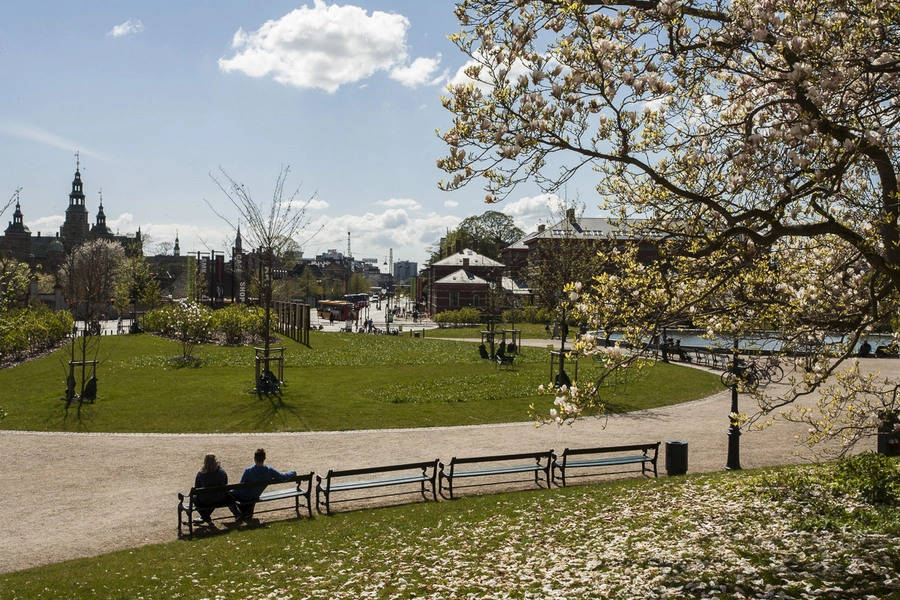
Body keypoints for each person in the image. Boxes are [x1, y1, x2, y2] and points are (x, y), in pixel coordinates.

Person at [232, 448, 296, 521]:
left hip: (243, 497)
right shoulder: (270, 470)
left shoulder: (249, 471)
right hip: (255, 496)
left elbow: (240, 487)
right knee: (253, 491)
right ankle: (248, 511)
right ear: (264, 458)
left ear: (254, 458)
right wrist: (293, 472)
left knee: (229, 495)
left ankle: (238, 513)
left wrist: (231, 492)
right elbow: (283, 477)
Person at [192, 453, 237, 525]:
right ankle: (205, 517)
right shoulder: (222, 472)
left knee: (195, 498)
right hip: (220, 499)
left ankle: (206, 517)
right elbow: (225, 485)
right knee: (215, 495)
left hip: (205, 501)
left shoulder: (201, 474)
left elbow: (197, 489)